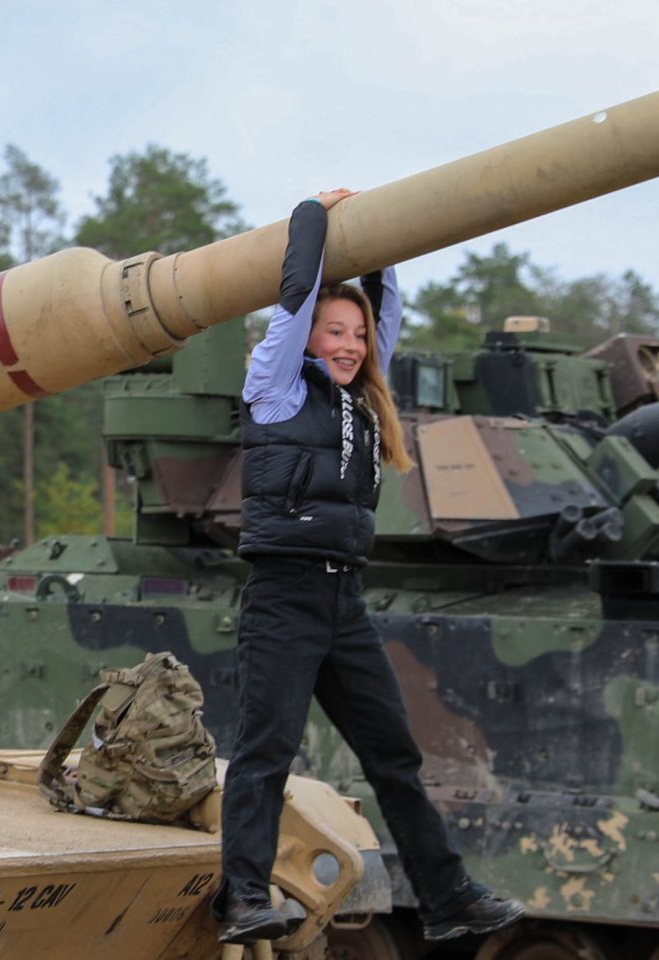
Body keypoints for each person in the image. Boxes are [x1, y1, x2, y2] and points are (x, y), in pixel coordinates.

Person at [213, 189, 525, 945]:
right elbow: (293, 297)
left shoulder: (363, 400)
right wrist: (315, 216)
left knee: (396, 758)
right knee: (266, 753)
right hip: (284, 595)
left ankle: (448, 900)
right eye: (334, 332)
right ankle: (241, 897)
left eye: (357, 335)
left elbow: (388, 304)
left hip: (343, 603)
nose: (351, 345)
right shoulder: (277, 388)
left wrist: (377, 234)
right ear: (306, 340)